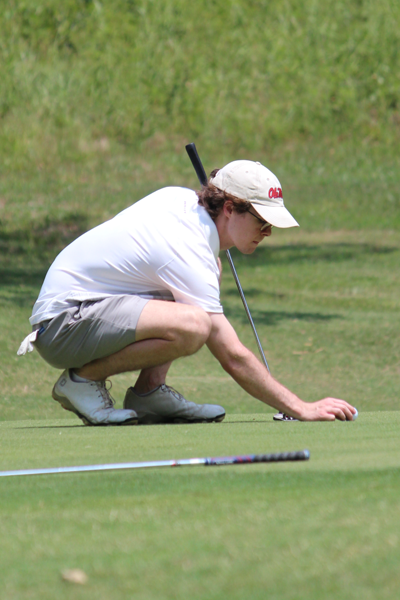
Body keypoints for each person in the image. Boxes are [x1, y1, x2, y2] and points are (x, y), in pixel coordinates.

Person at [18, 160, 357, 425]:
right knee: (196, 325)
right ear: (228, 208)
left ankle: (149, 393)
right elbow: (232, 356)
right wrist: (300, 407)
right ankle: (82, 380)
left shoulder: (183, 205)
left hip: (82, 315)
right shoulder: (190, 247)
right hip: (65, 325)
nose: (268, 232)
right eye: (261, 220)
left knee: (198, 297)